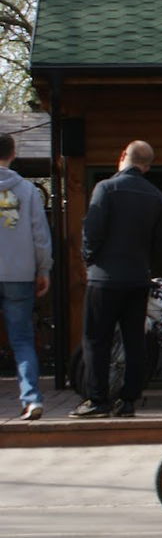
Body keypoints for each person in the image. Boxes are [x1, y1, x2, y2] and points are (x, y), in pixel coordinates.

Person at [75, 140, 162, 419]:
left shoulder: (106, 188)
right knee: (134, 341)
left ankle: (97, 399)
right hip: (138, 278)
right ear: (147, 166)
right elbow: (161, 242)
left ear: (122, 157)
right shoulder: (157, 197)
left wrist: (89, 260)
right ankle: (128, 400)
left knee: (96, 339)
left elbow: (92, 230)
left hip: (104, 278)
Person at [0, 133, 51, 420]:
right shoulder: (28, 191)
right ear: (13, 153)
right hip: (19, 272)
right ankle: (31, 398)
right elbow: (40, 235)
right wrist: (43, 269)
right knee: (21, 338)